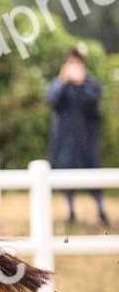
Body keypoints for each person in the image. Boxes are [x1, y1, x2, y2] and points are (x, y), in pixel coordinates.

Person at [46, 47, 109, 227]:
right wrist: (63, 82)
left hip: (87, 140)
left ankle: (100, 210)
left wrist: (81, 84)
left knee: (94, 176)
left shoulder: (91, 84)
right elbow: (52, 100)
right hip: (65, 141)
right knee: (66, 177)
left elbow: (93, 100)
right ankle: (70, 211)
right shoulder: (60, 84)